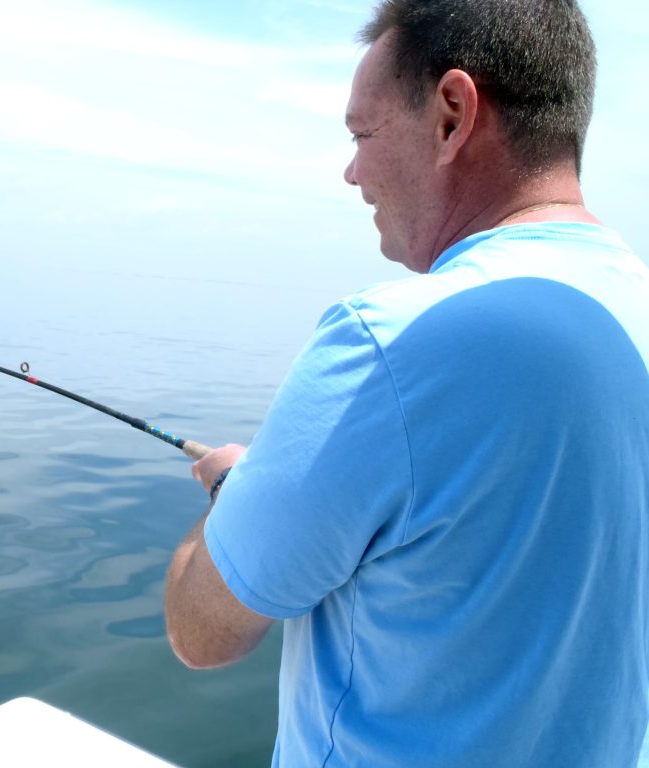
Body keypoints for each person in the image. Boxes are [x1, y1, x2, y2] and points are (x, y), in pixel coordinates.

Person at [164, 1, 649, 766]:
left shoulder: (392, 343)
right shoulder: (635, 313)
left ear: (453, 115)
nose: (351, 170)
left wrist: (235, 489)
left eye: (362, 134)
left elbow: (203, 633)